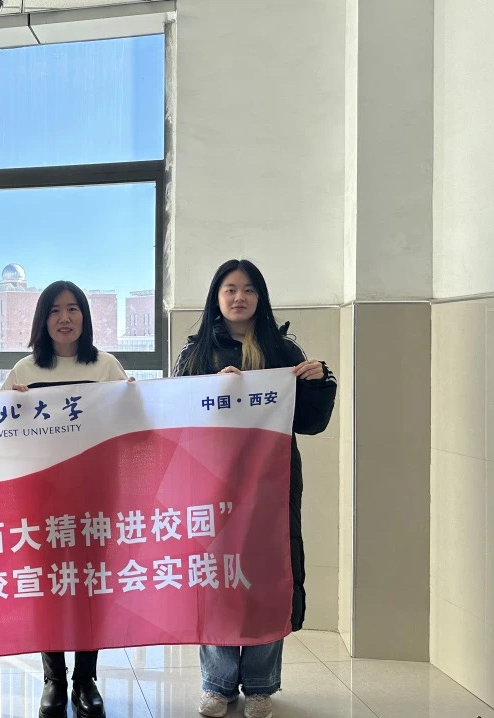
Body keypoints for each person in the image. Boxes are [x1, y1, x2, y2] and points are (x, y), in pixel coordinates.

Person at [172, 259, 336, 718]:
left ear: (260, 297)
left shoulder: (283, 349)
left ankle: (261, 684)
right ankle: (217, 683)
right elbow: (177, 414)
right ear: (216, 297)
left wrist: (320, 380)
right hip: (213, 481)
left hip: (272, 483)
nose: (239, 297)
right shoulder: (196, 352)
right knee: (218, 576)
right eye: (229, 289)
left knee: (269, 574)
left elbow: (310, 422)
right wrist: (211, 388)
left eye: (248, 289)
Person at [3, 280, 131, 718]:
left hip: (95, 493)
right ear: (42, 320)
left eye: (73, 308)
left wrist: (132, 397)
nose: (64, 318)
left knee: (89, 586)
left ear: (85, 316)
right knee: (50, 588)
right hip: (42, 496)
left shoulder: (106, 365)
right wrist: (10, 407)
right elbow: (2, 435)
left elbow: (134, 425)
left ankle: (85, 679)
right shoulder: (24, 371)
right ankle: (54, 679)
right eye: (55, 310)